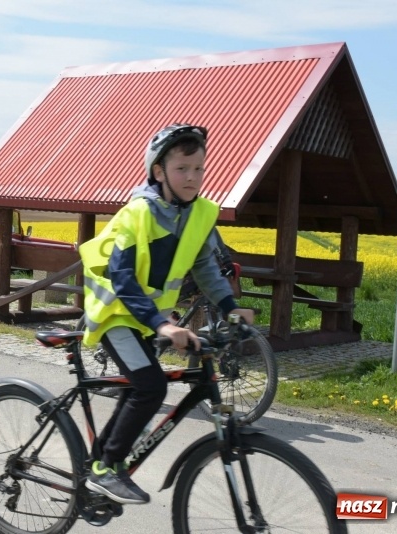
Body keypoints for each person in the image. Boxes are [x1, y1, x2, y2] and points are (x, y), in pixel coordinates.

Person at [79, 123, 252, 505]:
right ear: (158, 171)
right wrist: (163, 324)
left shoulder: (200, 214)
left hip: (151, 319)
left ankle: (99, 466)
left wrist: (230, 307)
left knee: (140, 389)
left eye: (199, 169)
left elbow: (206, 268)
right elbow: (122, 278)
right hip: (117, 315)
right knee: (151, 386)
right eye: (182, 169)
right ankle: (105, 469)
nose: (192, 178)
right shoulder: (136, 214)